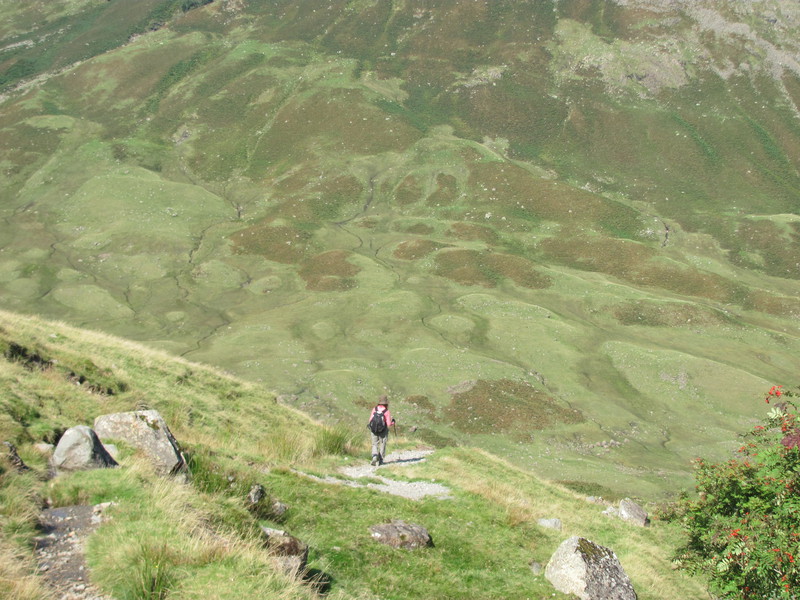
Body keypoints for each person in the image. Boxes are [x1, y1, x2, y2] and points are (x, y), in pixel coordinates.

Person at [367, 395, 395, 466]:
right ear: (386, 403)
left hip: (374, 430)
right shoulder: (386, 411)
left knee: (374, 443)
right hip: (383, 430)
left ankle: (374, 457)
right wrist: (393, 422)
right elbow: (388, 424)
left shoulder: (375, 409)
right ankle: (381, 460)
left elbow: (370, 420)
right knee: (382, 444)